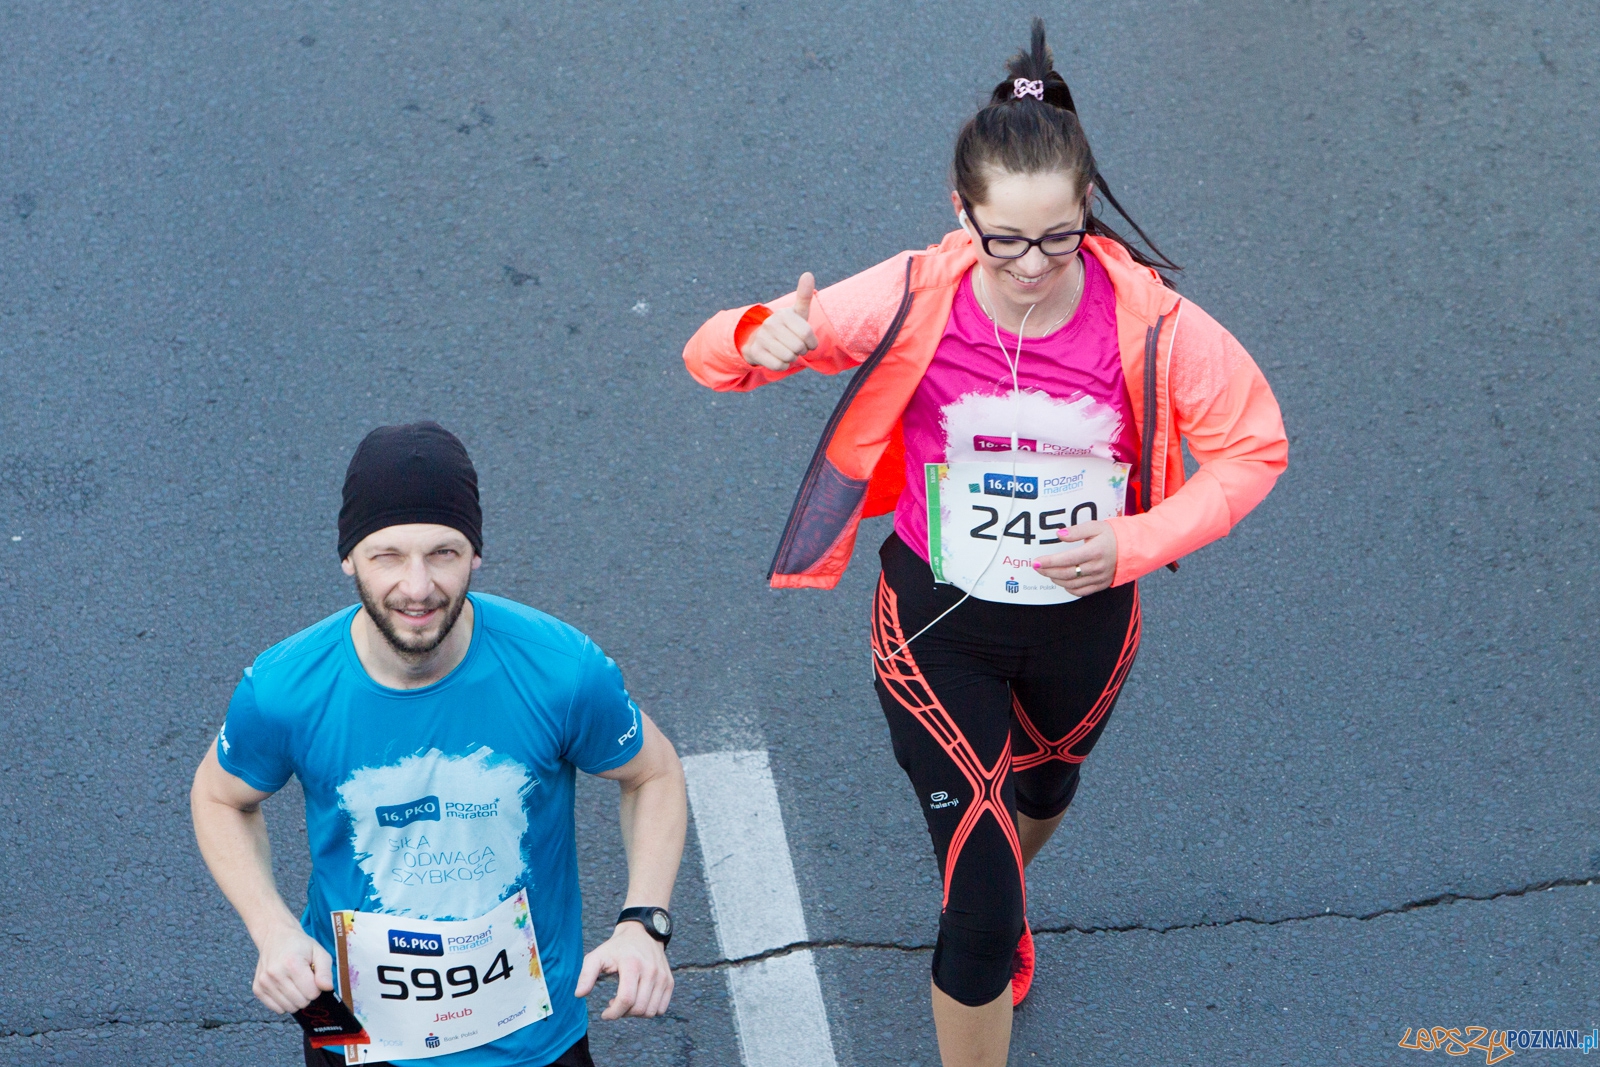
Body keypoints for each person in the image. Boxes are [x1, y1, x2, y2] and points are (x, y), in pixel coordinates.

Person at [682, 22, 1287, 1067]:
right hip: (935, 620)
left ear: (1087, 209)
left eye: (1056, 236)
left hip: (1086, 620)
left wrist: (1140, 538)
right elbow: (715, 356)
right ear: (963, 212)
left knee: (1044, 791)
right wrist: (754, 337)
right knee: (977, 895)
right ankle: (990, 912)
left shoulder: (1153, 325)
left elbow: (1254, 447)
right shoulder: (917, 292)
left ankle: (1005, 890)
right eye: (1004, 237)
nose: (1029, 264)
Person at [190, 422, 687, 1067]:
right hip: (343, 1028)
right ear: (348, 558)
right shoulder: (284, 687)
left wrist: (644, 923)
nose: (418, 586)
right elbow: (219, 795)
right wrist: (272, 930)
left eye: (443, 553)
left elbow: (653, 772)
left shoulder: (561, 670)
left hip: (536, 1039)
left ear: (476, 553)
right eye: (387, 555)